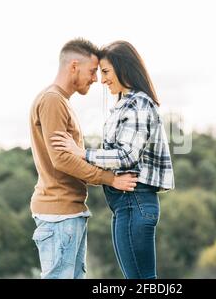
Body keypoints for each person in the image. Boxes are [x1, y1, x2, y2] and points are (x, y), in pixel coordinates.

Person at [50, 40, 175, 279]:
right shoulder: (125, 104)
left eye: (106, 72)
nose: (103, 79)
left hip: (134, 200)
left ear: (123, 68)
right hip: (127, 204)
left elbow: (127, 155)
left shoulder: (137, 104)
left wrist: (82, 153)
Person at [29, 38, 138, 279]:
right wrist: (110, 180)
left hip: (68, 212)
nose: (95, 79)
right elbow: (62, 160)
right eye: (92, 71)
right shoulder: (52, 100)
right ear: (74, 66)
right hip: (59, 213)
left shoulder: (60, 102)